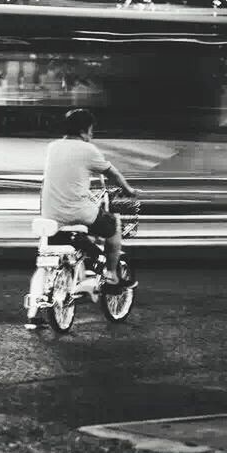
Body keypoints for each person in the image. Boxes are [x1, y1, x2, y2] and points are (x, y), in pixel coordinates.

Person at [27, 109, 138, 329]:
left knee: (44, 259)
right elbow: (112, 173)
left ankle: (33, 314)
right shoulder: (88, 149)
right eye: (91, 130)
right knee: (113, 225)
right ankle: (111, 274)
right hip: (77, 211)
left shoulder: (53, 147)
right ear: (85, 130)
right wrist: (128, 189)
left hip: (50, 215)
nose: (92, 134)